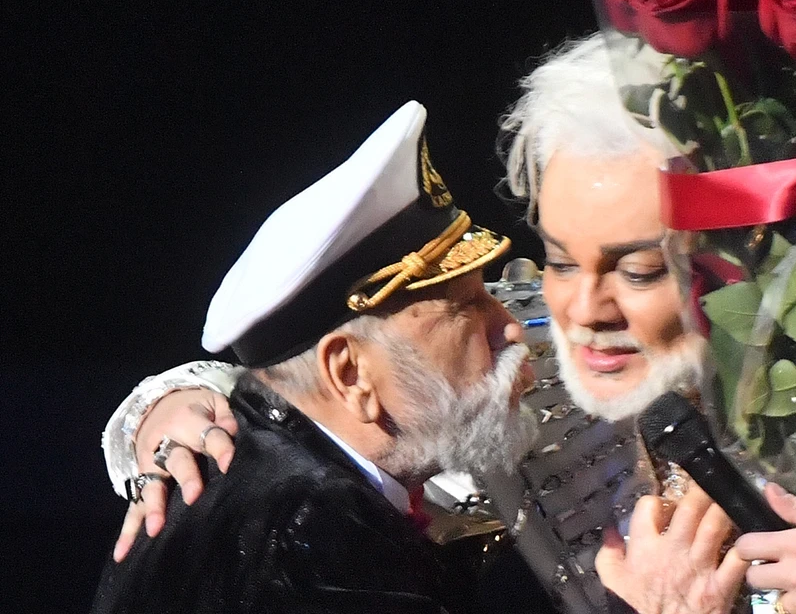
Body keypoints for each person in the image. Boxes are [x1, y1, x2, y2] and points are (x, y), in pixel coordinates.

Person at [100, 36, 796, 613]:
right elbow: (313, 388)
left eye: (640, 269)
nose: (580, 312)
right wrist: (164, 412)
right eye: (557, 259)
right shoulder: (527, 359)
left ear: (744, 257)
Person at [91, 100, 541, 614]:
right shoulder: (318, 540)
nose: (509, 326)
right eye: (467, 309)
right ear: (351, 374)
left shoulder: (272, 475)